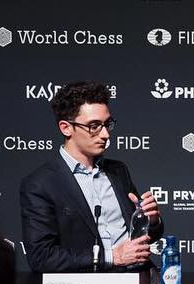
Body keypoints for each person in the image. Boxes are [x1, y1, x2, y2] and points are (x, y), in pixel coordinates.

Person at [20, 81, 163, 272]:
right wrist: (113, 257)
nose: (105, 134)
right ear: (66, 128)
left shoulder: (118, 171)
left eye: (107, 124)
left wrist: (151, 221)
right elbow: (42, 257)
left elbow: (143, 238)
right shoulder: (40, 184)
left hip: (138, 277)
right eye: (94, 126)